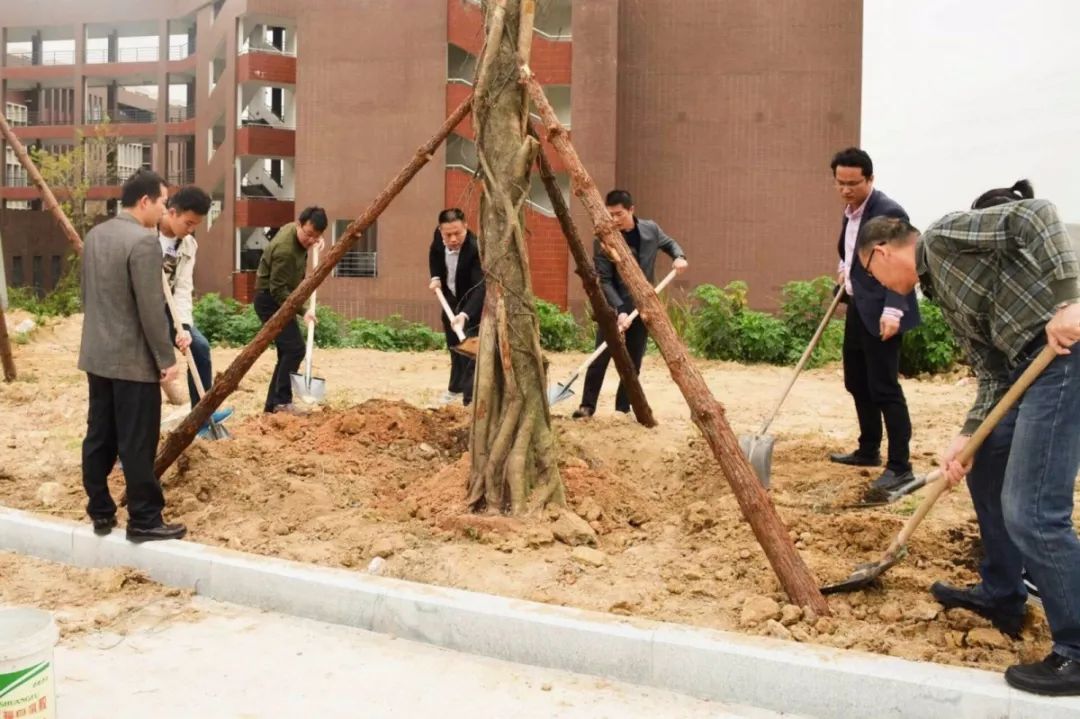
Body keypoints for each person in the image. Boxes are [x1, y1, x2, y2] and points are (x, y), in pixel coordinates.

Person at [855, 201, 1080, 695]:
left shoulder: (944, 237)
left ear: (881, 252)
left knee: (1033, 511)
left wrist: (1069, 301)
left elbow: (1034, 216)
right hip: (1025, 373)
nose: (876, 284)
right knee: (987, 463)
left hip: (1063, 356)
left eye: (870, 274)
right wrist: (967, 436)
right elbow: (992, 373)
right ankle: (1003, 594)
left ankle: (1076, 649)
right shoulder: (942, 290)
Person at [79, 169, 187, 543]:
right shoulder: (143, 242)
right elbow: (150, 309)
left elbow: (87, 295)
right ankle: (144, 518)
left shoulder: (95, 235)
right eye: (162, 203)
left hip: (97, 354)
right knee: (137, 441)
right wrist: (166, 359)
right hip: (132, 361)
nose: (164, 210)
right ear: (144, 201)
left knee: (100, 434)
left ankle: (100, 511)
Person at [827, 148, 920, 496]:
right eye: (840, 183)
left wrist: (894, 310)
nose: (846, 190)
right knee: (856, 381)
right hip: (858, 307)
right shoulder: (850, 212)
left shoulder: (889, 212)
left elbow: (903, 264)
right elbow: (851, 251)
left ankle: (900, 467)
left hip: (883, 311)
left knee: (884, 388)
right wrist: (844, 269)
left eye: (853, 183)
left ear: (870, 179)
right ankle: (868, 449)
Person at [572, 190, 687, 418]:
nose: (614, 219)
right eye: (611, 214)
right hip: (613, 307)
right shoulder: (604, 240)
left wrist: (679, 256)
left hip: (643, 308)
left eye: (619, 214)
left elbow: (670, 243)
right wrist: (619, 311)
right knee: (600, 357)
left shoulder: (650, 230)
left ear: (631, 210)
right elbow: (605, 280)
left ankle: (622, 408)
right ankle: (587, 406)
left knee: (633, 362)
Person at [158, 185, 233, 437]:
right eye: (188, 223)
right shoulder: (146, 235)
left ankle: (201, 415)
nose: (190, 229)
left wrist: (184, 327)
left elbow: (183, 287)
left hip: (169, 308)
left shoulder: (189, 245)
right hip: (141, 310)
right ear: (172, 212)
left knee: (198, 347)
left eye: (195, 225)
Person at [253, 206, 325, 414]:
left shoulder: (295, 230)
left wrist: (315, 240)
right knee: (295, 349)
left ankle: (272, 407)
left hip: (281, 298)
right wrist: (303, 311)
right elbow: (277, 291)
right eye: (308, 234)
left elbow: (309, 237)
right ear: (299, 225)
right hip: (270, 301)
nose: (311, 240)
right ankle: (282, 402)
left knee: (287, 352)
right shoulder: (285, 251)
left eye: (316, 236)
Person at [428, 208, 484, 406]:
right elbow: (434, 253)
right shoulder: (439, 237)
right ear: (441, 230)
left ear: (466, 227)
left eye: (457, 233)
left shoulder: (475, 248)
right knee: (454, 347)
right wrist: (435, 276)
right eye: (448, 234)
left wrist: (465, 314)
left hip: (471, 303)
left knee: (470, 352)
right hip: (450, 298)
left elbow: (480, 287)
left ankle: (469, 400)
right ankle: (455, 390)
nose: (452, 239)